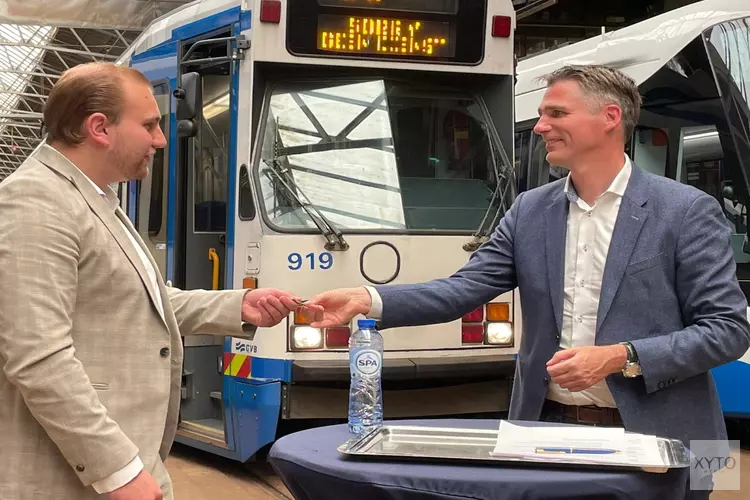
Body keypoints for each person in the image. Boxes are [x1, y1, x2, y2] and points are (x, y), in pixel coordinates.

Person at [305, 65, 750, 499]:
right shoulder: (529, 211)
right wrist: (368, 298)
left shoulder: (687, 210)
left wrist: (621, 357)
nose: (540, 127)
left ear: (610, 117)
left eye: (556, 114)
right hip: (546, 431)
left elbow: (728, 330)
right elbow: (463, 289)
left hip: (663, 440)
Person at [0, 62, 320, 500]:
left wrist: (237, 305)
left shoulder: (90, 197)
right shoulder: (36, 202)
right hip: (73, 475)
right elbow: (38, 357)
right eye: (149, 125)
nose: (160, 139)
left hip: (125, 454)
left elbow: (139, 298)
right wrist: (118, 471)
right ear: (99, 128)